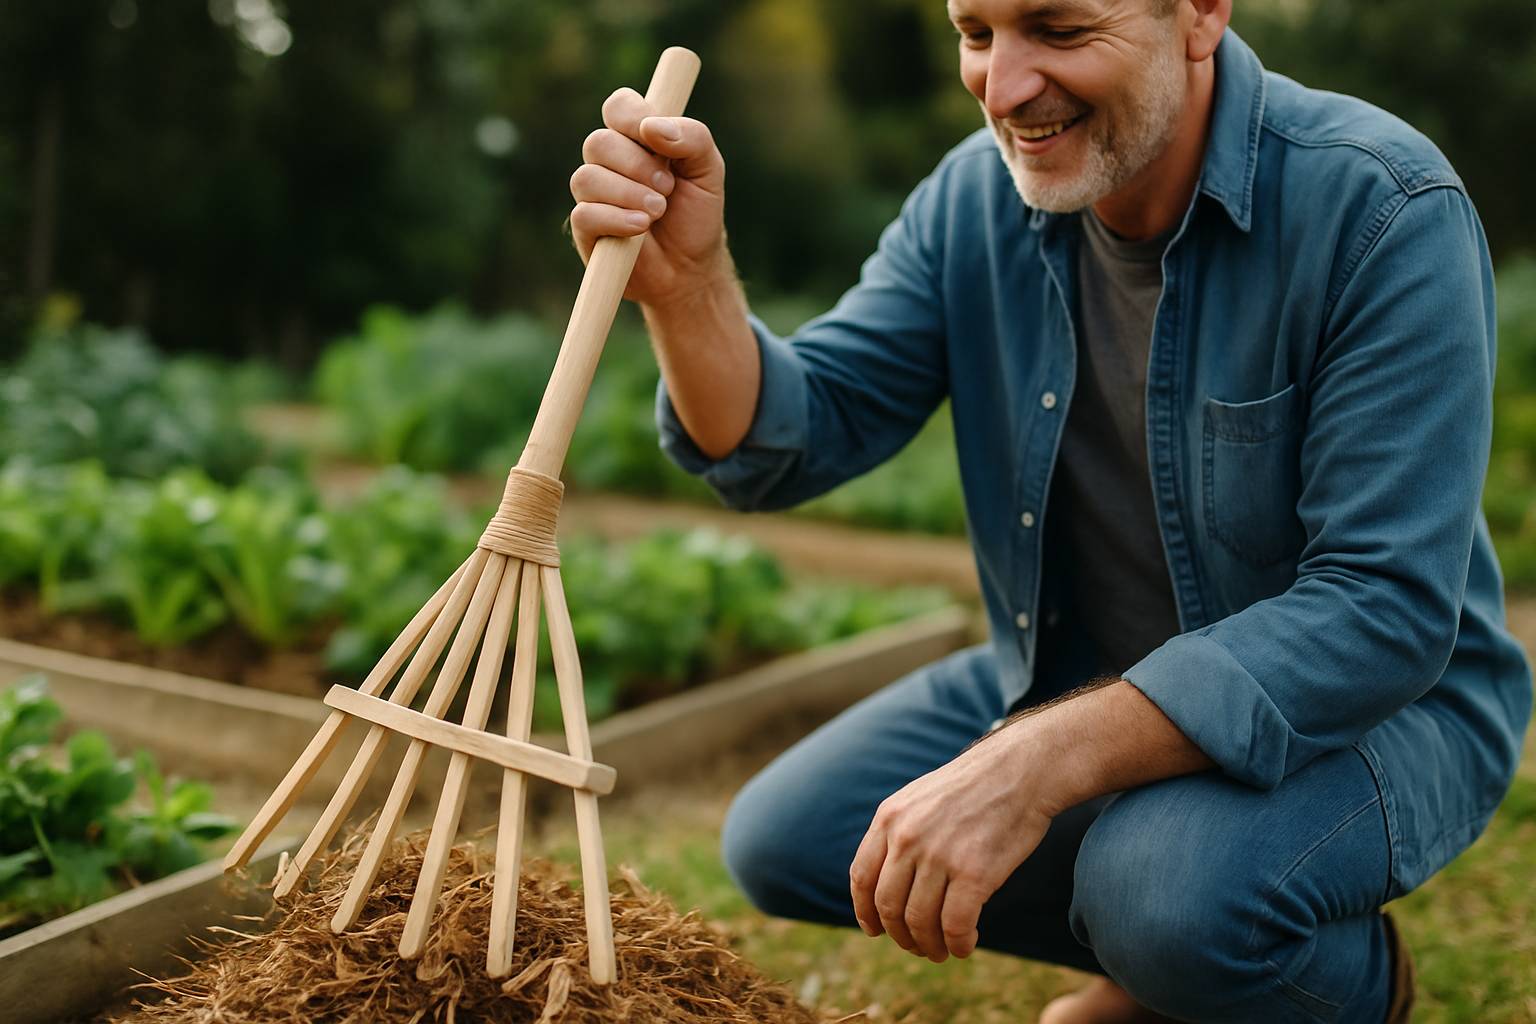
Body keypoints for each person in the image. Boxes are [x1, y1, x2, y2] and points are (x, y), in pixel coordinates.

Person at [567, 0, 1533, 1020]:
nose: (1005, 85)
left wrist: (1028, 764)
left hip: (1379, 715)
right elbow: (788, 438)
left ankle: (1333, 982)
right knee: (793, 836)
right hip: (1080, 670)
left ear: (1201, 13)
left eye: (1060, 32)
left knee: (1161, 894)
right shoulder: (970, 205)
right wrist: (688, 286)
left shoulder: (1381, 204)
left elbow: (1378, 611)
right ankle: (1172, 953)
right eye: (976, 33)